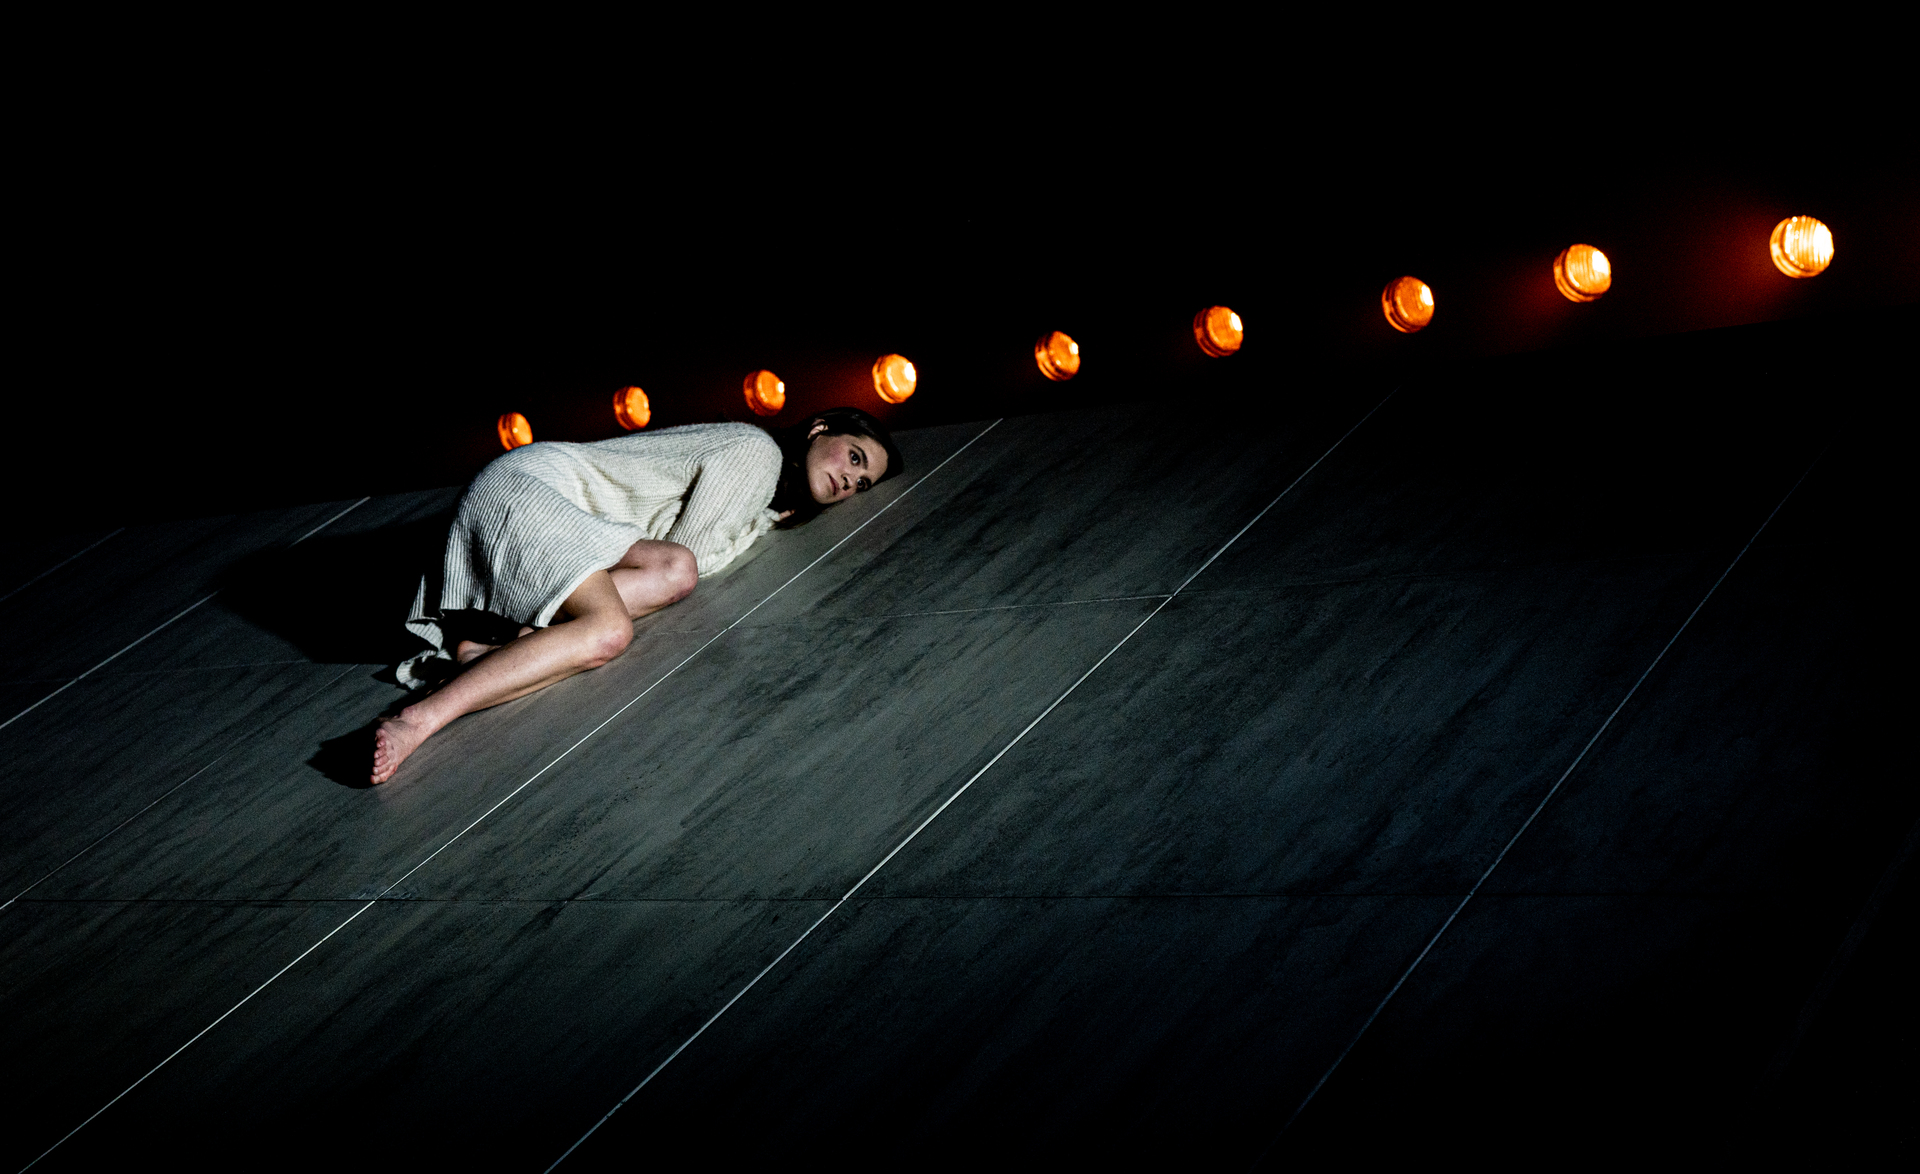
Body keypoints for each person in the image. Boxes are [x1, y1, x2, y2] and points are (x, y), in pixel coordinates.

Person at [372, 407, 903, 784]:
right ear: (819, 428)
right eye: (854, 457)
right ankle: (417, 720)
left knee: (666, 578)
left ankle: (491, 651)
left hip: (549, 511)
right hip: (532, 488)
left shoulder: (766, 501)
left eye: (862, 483)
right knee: (618, 623)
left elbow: (678, 564)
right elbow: (695, 550)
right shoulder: (758, 452)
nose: (849, 480)